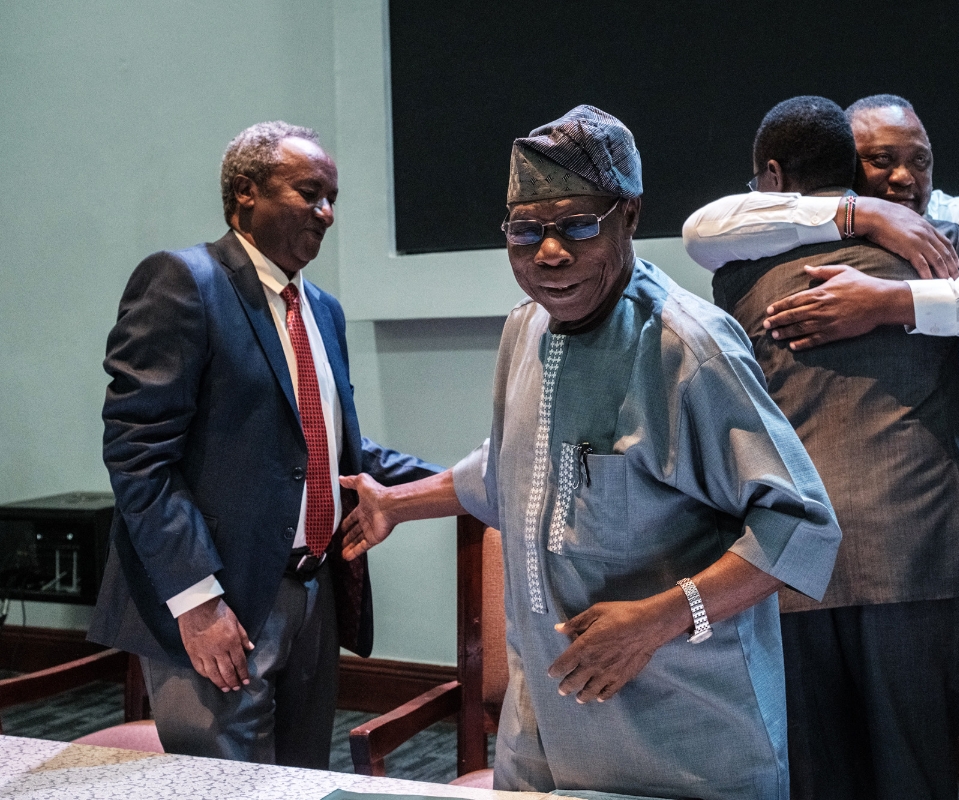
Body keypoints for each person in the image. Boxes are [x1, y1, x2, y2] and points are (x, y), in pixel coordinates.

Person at [337, 105, 843, 800]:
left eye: (578, 225)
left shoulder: (688, 347)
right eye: (526, 231)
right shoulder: (526, 331)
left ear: (628, 216)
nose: (549, 253)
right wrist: (397, 502)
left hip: (681, 740)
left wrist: (660, 617)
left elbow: (803, 525)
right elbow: (521, 466)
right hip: (542, 730)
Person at [684, 93, 959, 800]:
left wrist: (891, 303)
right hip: (903, 544)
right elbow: (702, 229)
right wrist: (862, 217)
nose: (903, 177)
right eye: (880, 162)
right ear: (841, 168)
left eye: (917, 160)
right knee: (881, 751)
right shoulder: (790, 233)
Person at [89, 121, 439, 767]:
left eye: (333, 196)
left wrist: (465, 477)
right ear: (246, 193)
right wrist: (197, 603)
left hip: (313, 596)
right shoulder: (183, 281)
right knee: (229, 787)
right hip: (221, 606)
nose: (327, 213)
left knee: (302, 781)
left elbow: (333, 447)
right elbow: (139, 457)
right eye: (310, 192)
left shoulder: (322, 309)